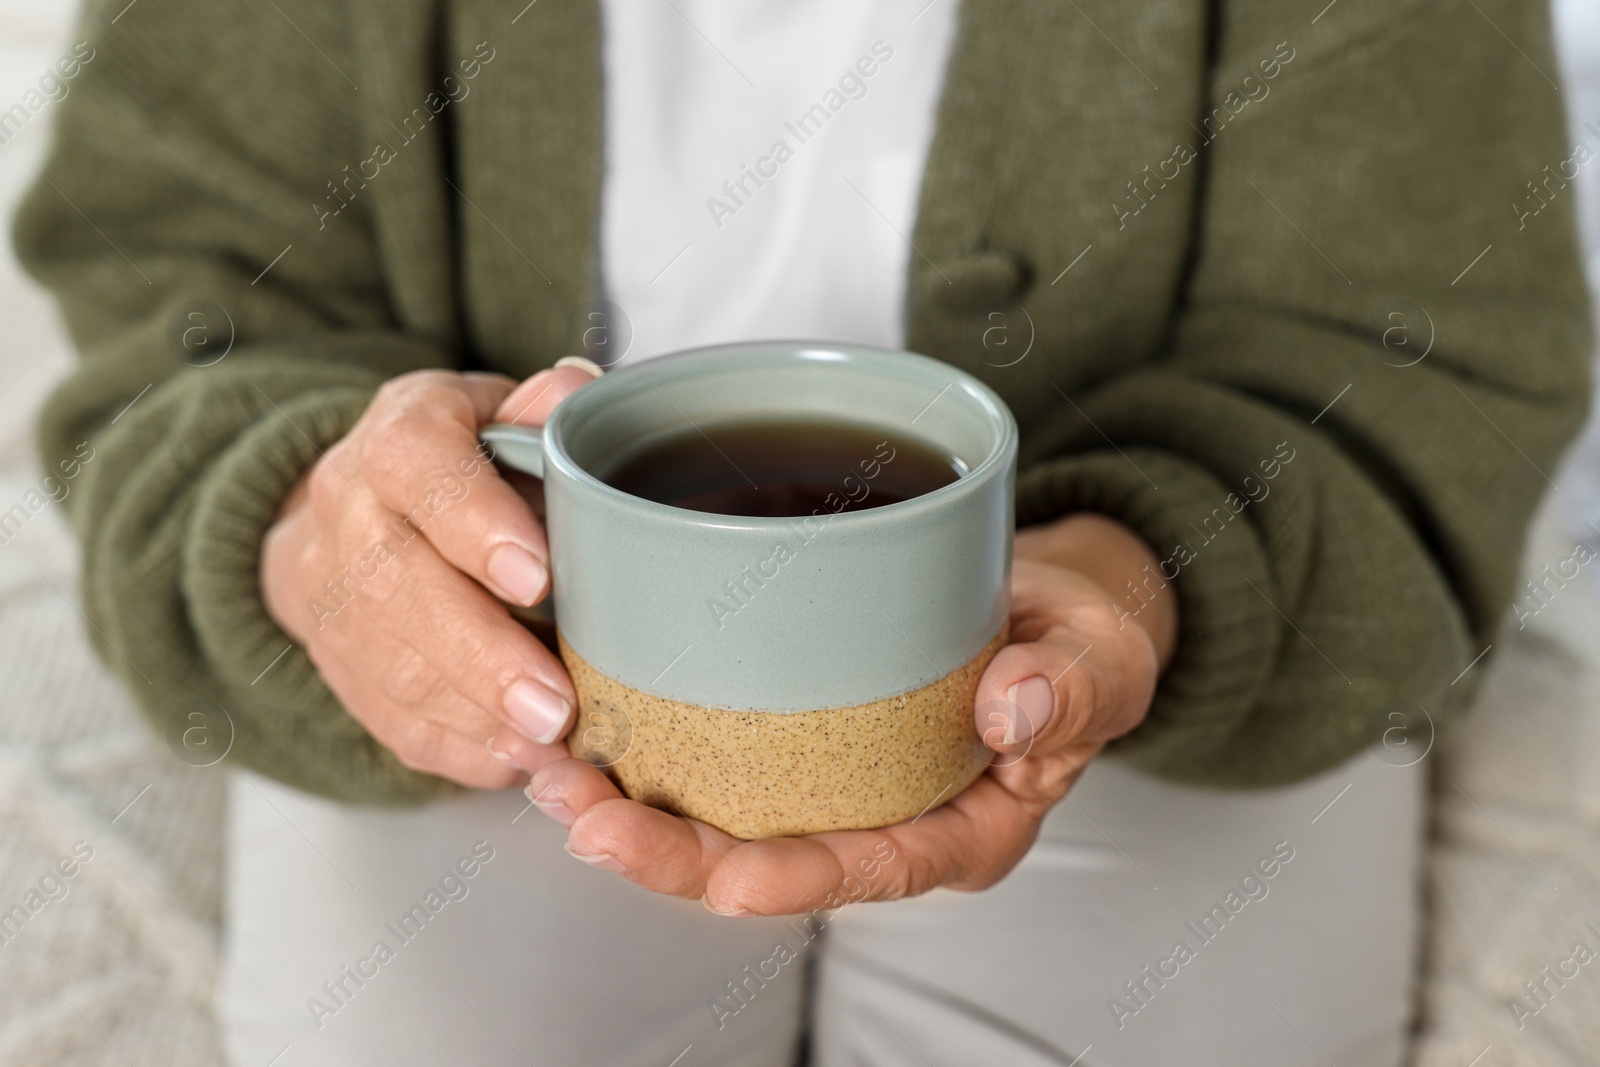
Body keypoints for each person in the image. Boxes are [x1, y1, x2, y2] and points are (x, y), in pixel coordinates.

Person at [14, 0, 1591, 1063]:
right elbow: (179, 286)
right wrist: (306, 528)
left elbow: (1421, 353)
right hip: (507, 681)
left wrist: (1153, 574)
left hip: (1177, 650)